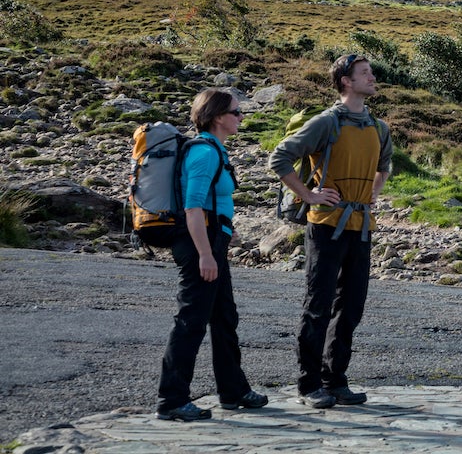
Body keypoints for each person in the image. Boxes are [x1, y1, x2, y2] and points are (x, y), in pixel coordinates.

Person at [270, 53, 392, 408]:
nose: (372, 77)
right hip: (325, 226)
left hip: (362, 226)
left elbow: (385, 165)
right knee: (318, 305)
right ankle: (309, 386)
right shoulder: (326, 122)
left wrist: (375, 191)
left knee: (351, 307)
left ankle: (335, 381)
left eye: (371, 71)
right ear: (345, 82)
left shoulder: (378, 127)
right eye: (364, 73)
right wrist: (308, 194)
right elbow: (279, 157)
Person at [156, 88, 268, 421]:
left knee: (224, 318)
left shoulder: (215, 150)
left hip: (212, 243)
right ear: (218, 116)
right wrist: (205, 255)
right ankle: (171, 400)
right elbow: (193, 207)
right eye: (236, 112)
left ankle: (233, 391)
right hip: (200, 245)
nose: (241, 117)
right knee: (191, 322)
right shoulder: (204, 153)